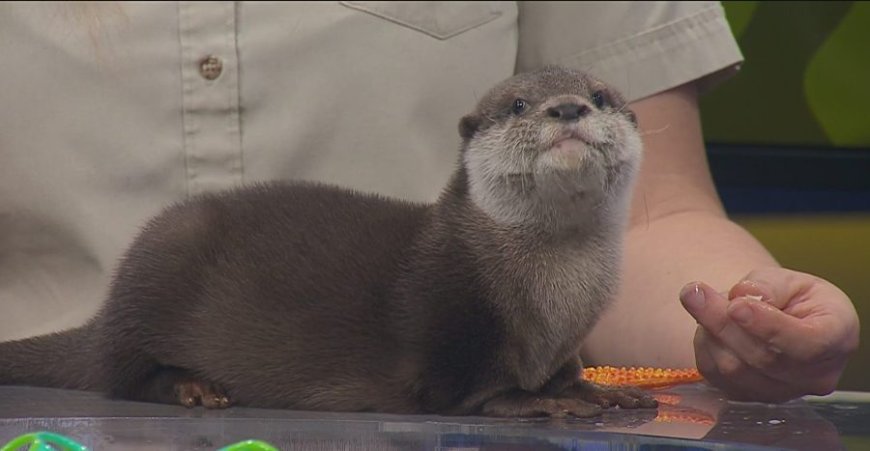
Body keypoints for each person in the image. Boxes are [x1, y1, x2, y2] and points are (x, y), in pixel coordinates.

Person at [0, 1, 858, 404]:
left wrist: (748, 312)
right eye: (530, 111)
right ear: (478, 134)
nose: (568, 118)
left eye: (591, 109)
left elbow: (652, 220)